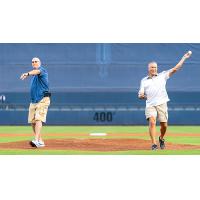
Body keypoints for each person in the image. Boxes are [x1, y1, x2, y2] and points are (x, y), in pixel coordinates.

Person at [138, 51, 192, 150]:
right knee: (152, 121)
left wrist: (184, 57)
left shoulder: (163, 75)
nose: (153, 69)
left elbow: (176, 68)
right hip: (150, 104)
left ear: (157, 68)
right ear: (148, 69)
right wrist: (141, 96)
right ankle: (154, 144)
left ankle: (161, 138)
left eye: (155, 67)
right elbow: (141, 94)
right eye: (152, 67)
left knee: (164, 125)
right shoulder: (144, 80)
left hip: (162, 103)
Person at [20, 57, 51, 148]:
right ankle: (40, 141)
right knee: (32, 122)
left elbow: (36, 71)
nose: (34, 63)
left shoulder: (42, 70)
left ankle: (36, 140)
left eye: (36, 61)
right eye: (32, 62)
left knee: (38, 119)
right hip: (33, 101)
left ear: (40, 62)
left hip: (43, 99)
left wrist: (27, 73)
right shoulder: (34, 77)